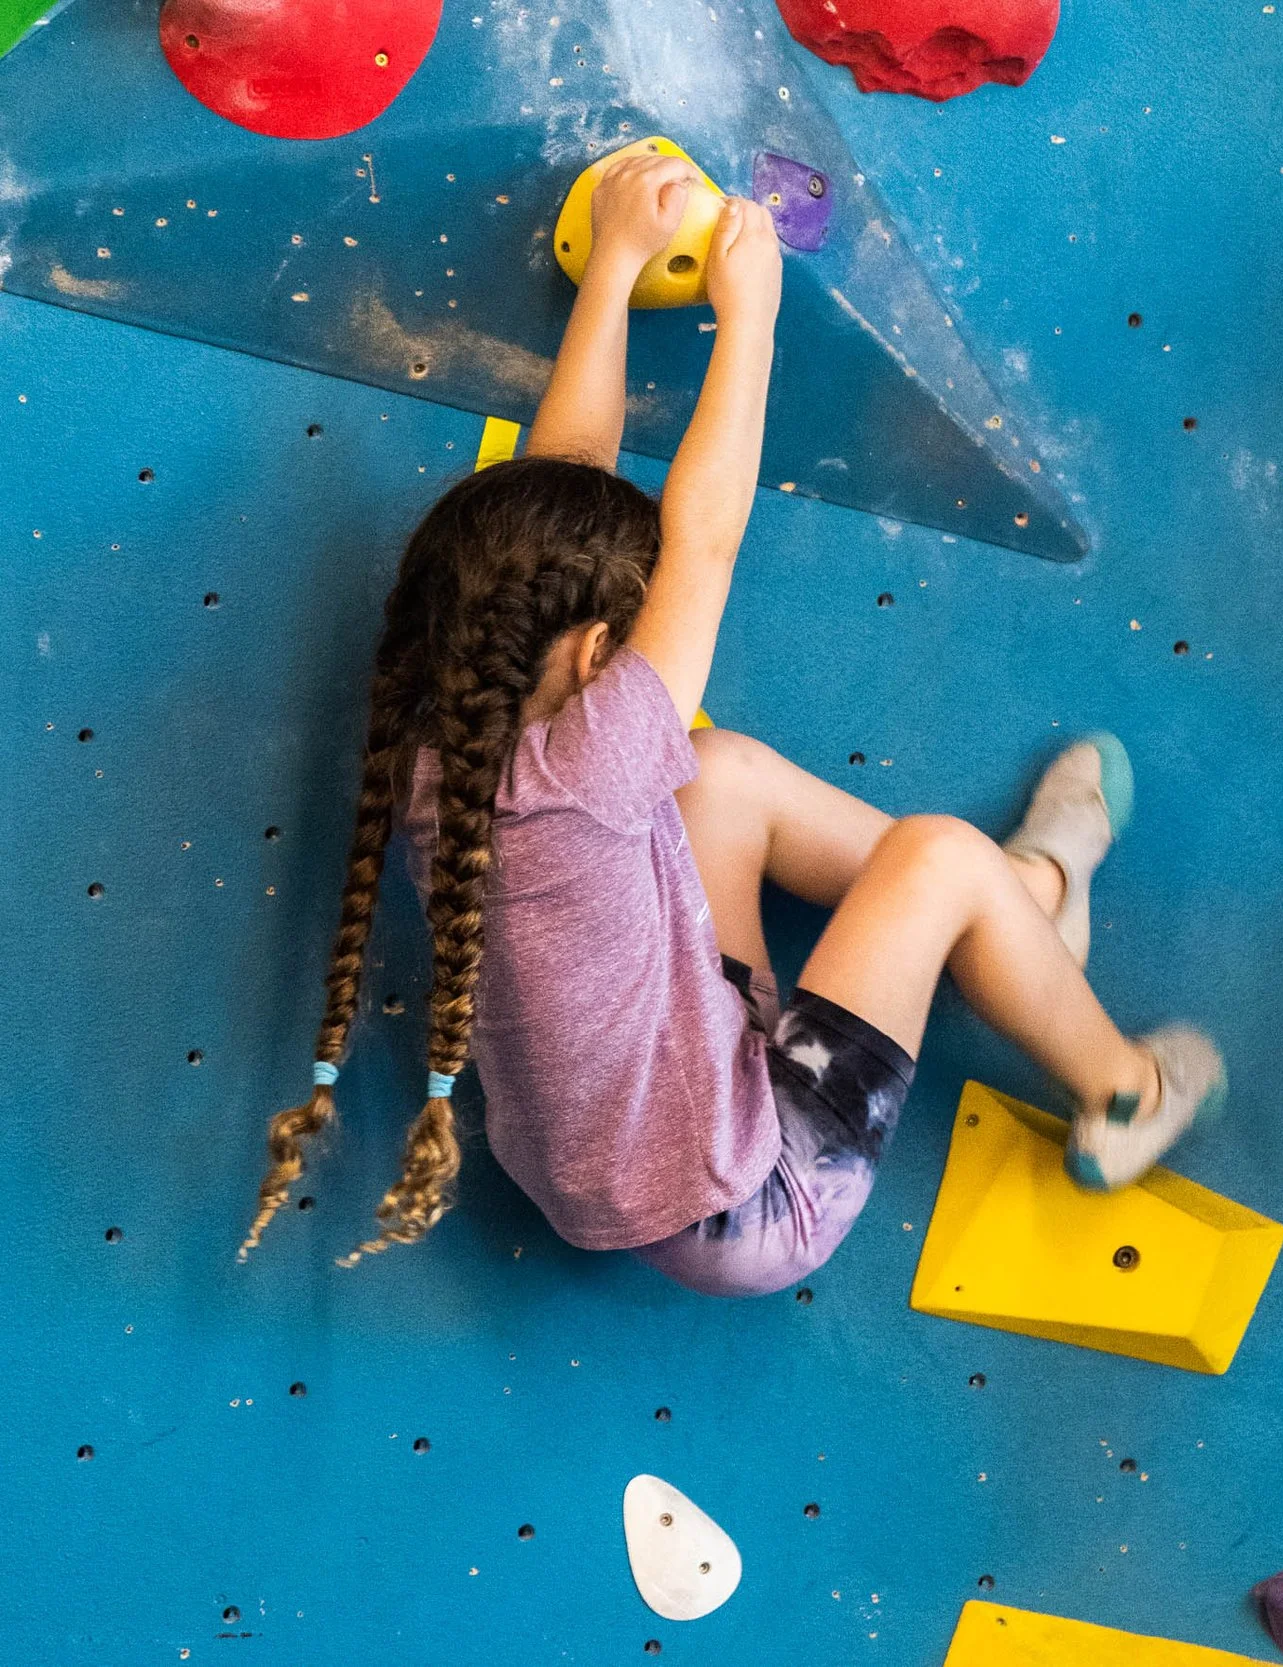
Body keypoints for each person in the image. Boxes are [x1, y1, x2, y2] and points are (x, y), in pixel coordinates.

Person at [240, 147, 1222, 1297]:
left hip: (632, 1146)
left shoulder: (447, 744)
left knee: (718, 771)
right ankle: (1122, 1091)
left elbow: (560, 486)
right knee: (937, 854)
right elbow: (702, 535)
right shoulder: (597, 761)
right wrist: (747, 321)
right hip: (754, 1198)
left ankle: (1010, 922)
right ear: (605, 653)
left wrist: (610, 270)